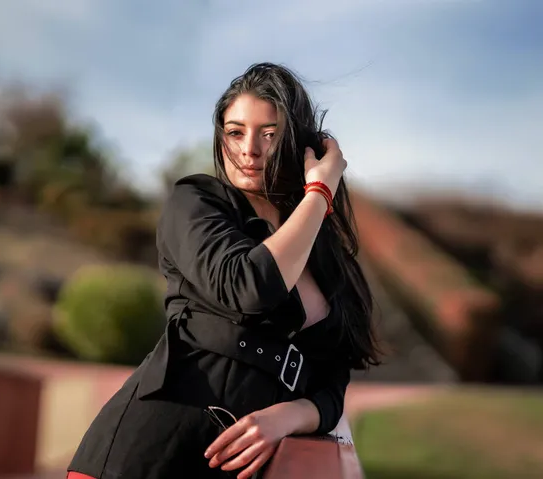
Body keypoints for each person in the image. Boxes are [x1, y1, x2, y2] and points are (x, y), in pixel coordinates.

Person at [67, 62, 380, 479]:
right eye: (235, 132)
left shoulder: (321, 250)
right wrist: (320, 193)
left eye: (269, 134)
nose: (249, 149)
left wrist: (287, 417)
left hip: (234, 464)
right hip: (146, 452)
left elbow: (332, 382)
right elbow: (249, 287)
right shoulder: (195, 203)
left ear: (299, 144)